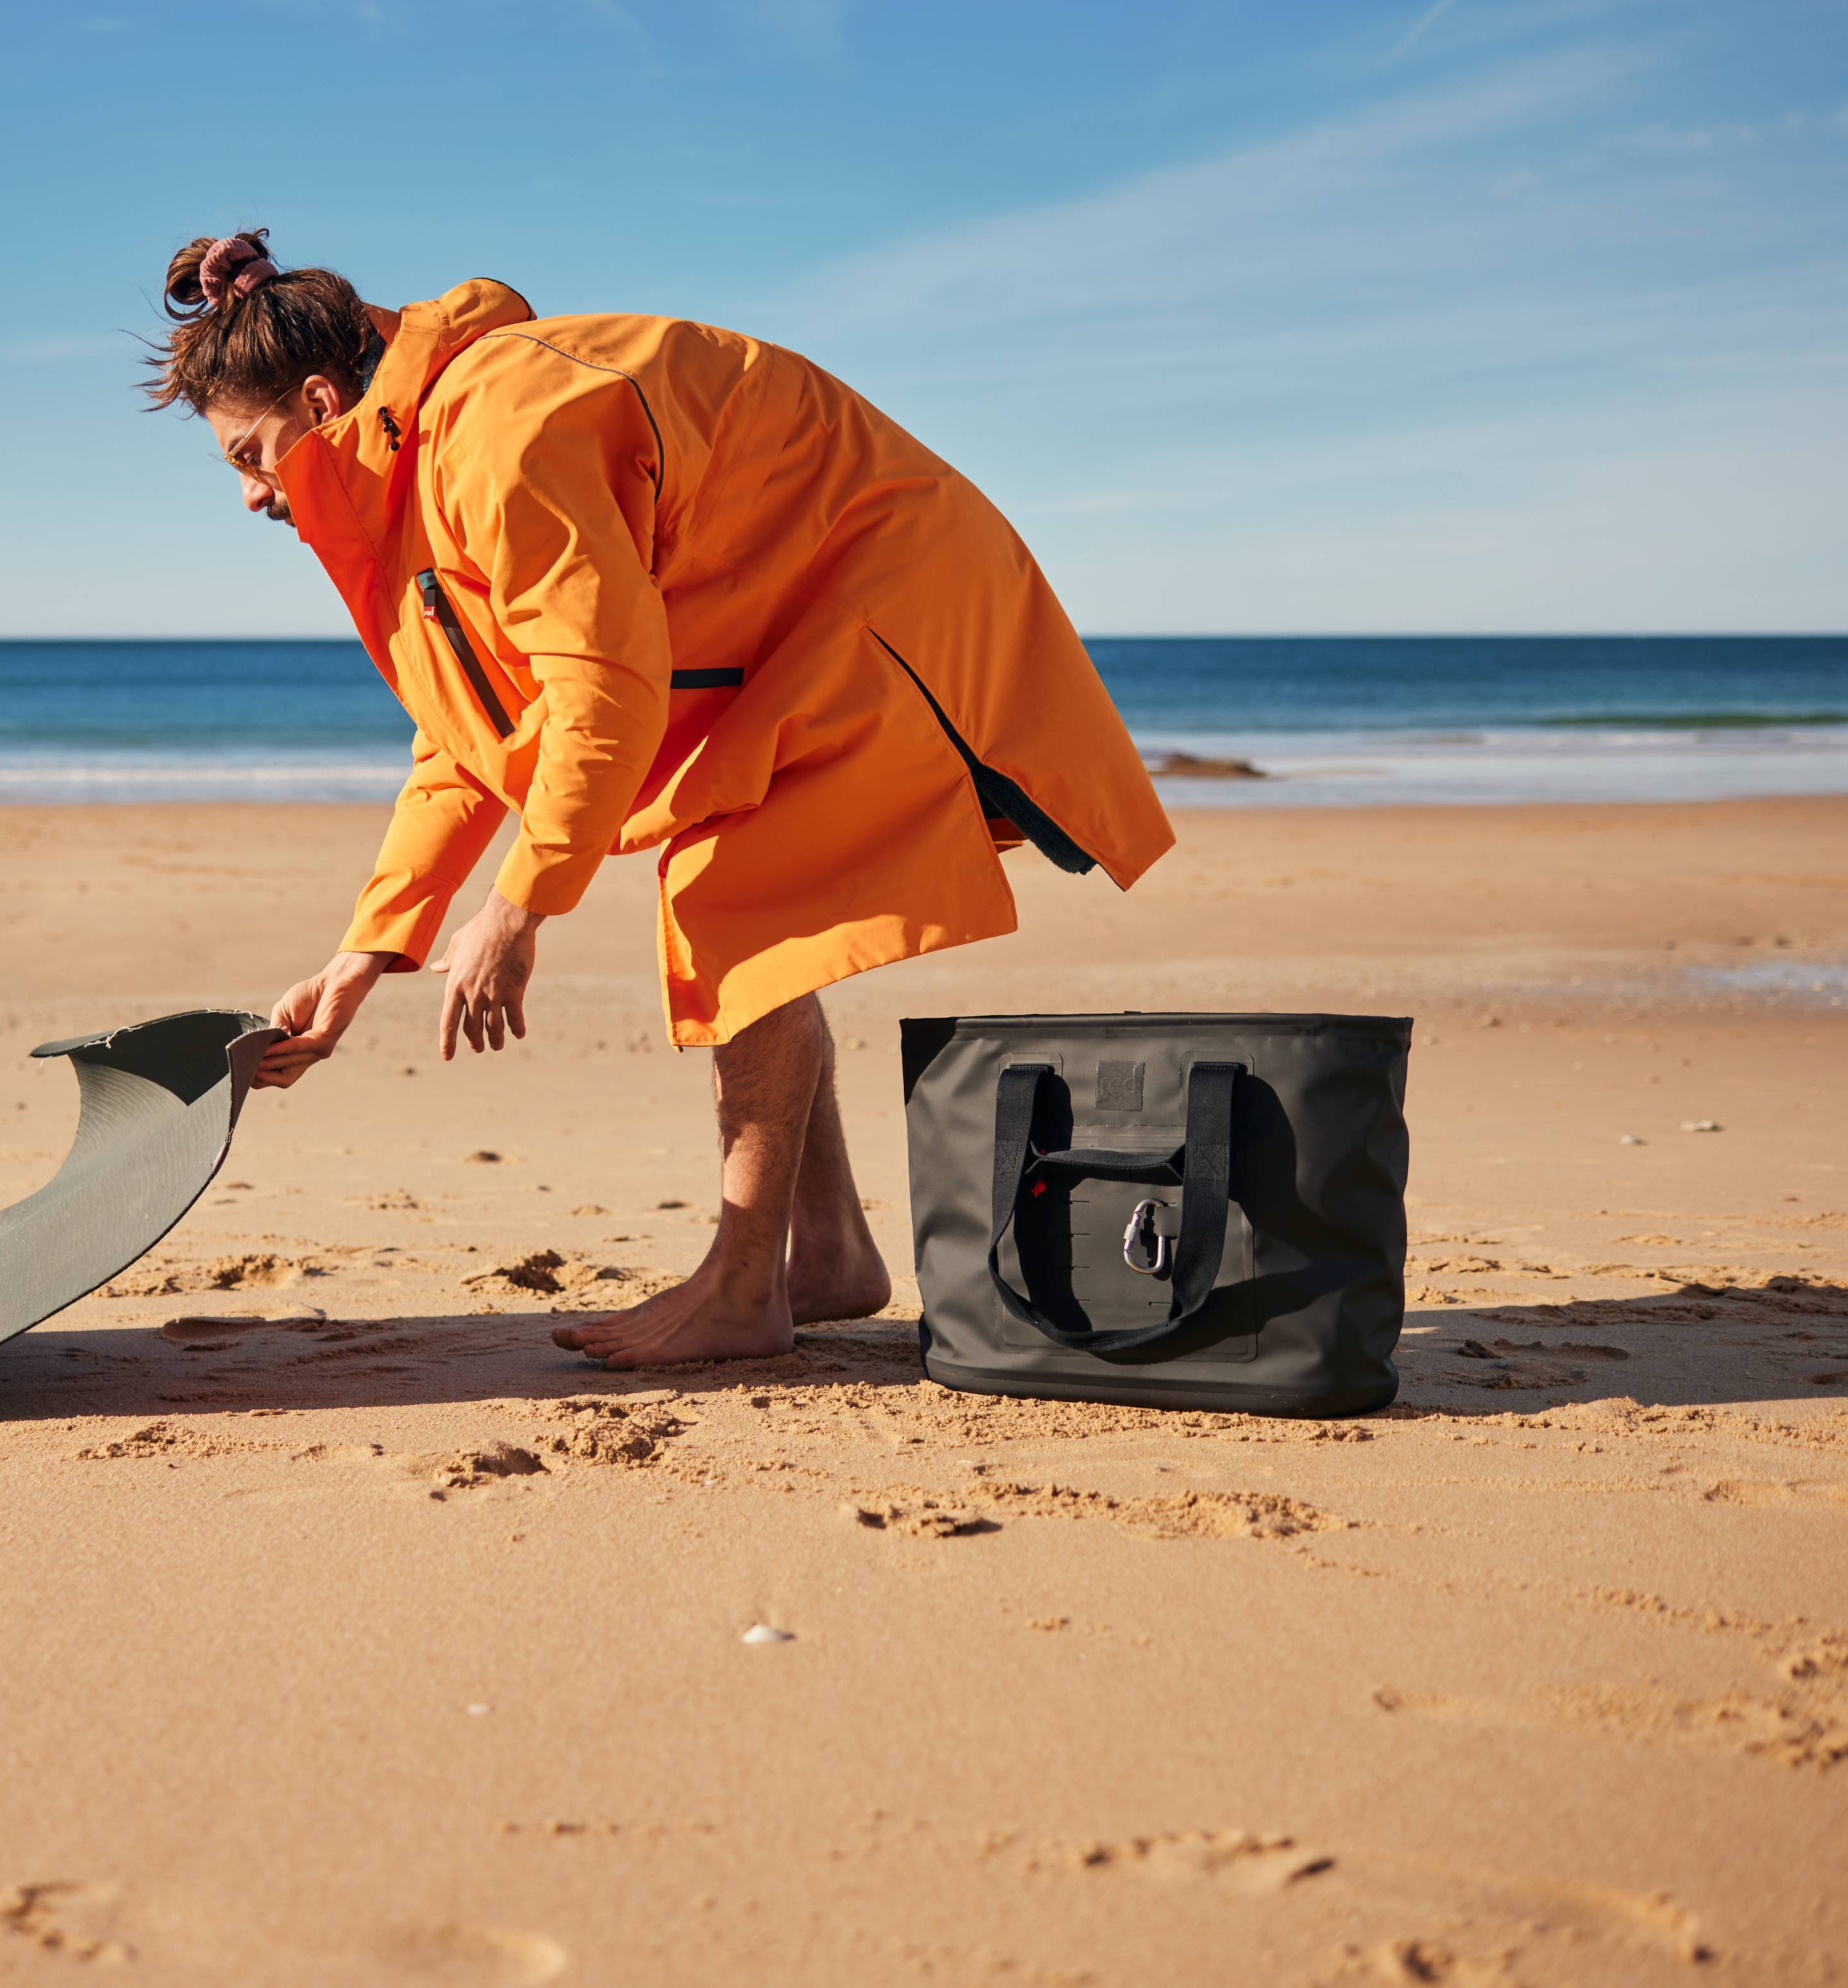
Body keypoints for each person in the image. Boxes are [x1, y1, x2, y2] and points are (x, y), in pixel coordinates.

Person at [148, 228, 1174, 1369]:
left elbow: (602, 688)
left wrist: (521, 910)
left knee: (733, 893)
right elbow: (471, 747)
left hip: (887, 587)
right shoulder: (415, 479)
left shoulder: (500, 429)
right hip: (786, 618)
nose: (250, 495)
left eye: (250, 454)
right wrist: (365, 957)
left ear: (324, 396)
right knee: (745, 893)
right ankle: (827, 1250)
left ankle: (745, 1285)